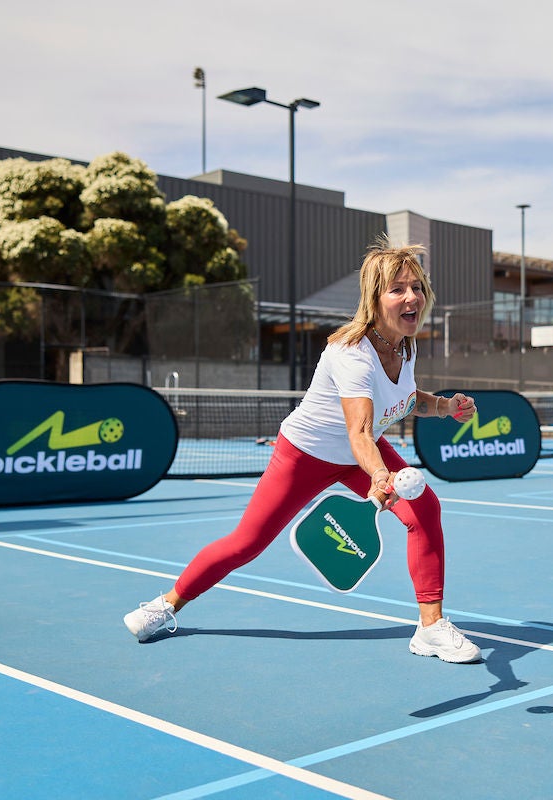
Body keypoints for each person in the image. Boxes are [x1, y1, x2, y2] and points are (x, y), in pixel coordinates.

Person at [124, 238, 482, 663]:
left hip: (358, 455)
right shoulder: (352, 353)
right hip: (305, 455)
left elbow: (403, 398)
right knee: (246, 544)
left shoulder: (405, 344)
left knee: (425, 510)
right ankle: (166, 605)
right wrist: (379, 475)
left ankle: (430, 628)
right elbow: (361, 430)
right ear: (374, 298)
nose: (412, 298)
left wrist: (442, 406)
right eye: (398, 289)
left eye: (417, 287)